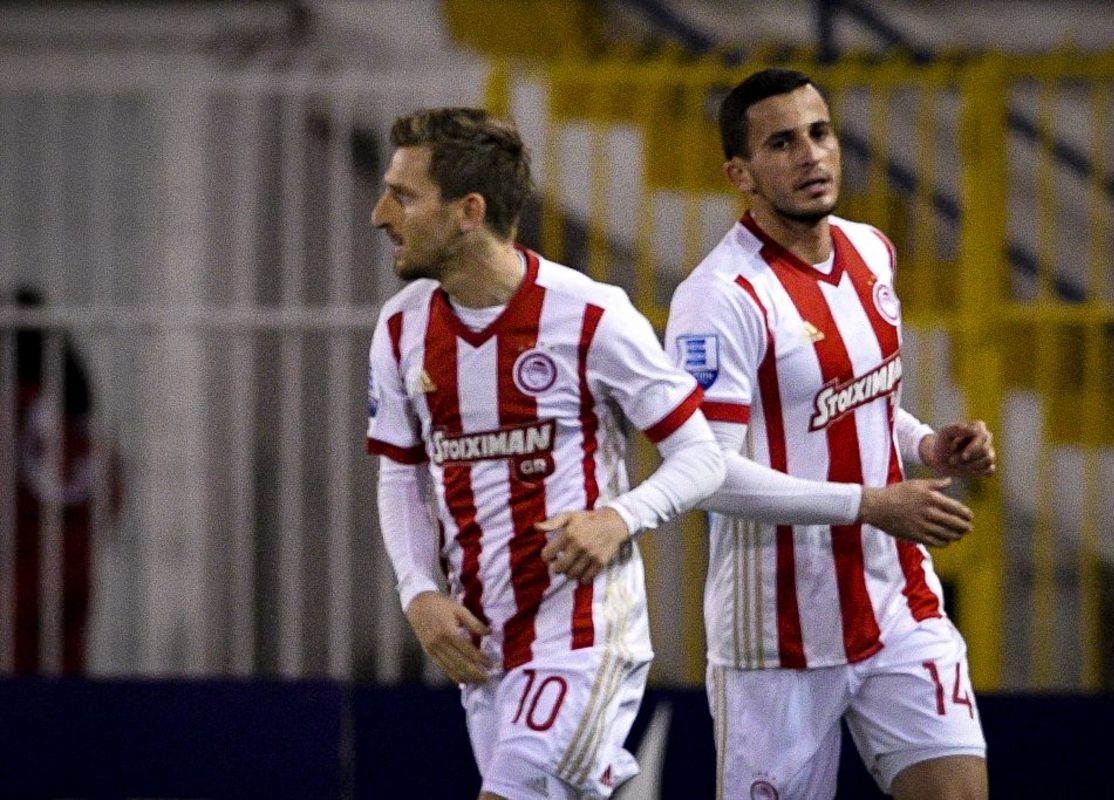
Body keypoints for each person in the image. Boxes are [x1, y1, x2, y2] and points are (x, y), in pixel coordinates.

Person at [365, 107, 724, 800]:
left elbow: (701, 455)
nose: (380, 214)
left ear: (469, 212)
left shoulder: (590, 315)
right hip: (485, 647)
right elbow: (400, 473)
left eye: (402, 196)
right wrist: (419, 590)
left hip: (584, 634)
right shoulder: (401, 327)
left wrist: (619, 517)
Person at [664, 69, 996, 800]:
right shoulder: (718, 298)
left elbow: (860, 406)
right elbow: (706, 473)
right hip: (776, 633)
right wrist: (870, 504)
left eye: (820, 133)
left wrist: (928, 445)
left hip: (895, 599)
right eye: (782, 143)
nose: (811, 156)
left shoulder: (871, 250)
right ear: (740, 174)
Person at [3, 286, 120, 675]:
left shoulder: (13, 409)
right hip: (75, 568)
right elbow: (111, 489)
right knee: (63, 675)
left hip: (18, 572)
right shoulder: (75, 412)